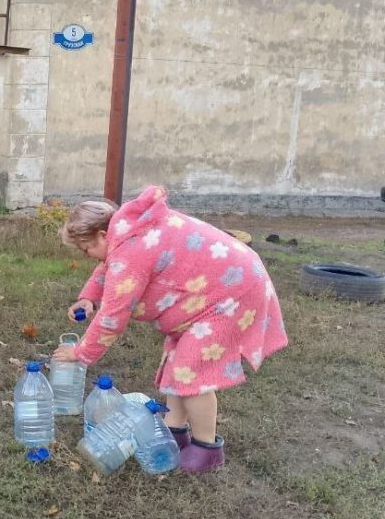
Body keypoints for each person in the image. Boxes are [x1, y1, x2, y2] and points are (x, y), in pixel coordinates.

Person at [52, 186, 288, 473]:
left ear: (102, 235)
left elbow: (113, 316)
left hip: (232, 295)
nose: (87, 255)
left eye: (86, 248)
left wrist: (81, 353)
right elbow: (107, 268)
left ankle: (206, 448)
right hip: (220, 288)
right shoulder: (127, 231)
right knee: (178, 364)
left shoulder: (131, 251)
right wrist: (89, 297)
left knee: (192, 373)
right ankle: (174, 431)